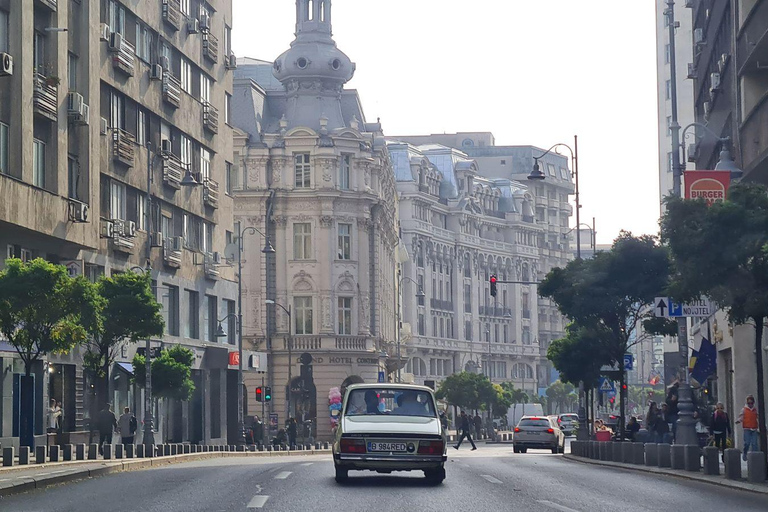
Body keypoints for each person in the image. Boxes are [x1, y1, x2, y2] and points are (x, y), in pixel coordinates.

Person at [736, 395, 759, 461]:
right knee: (747, 443)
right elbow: (741, 417)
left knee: (754, 444)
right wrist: (738, 420)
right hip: (747, 428)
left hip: (754, 428)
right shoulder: (744, 409)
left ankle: (755, 457)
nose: (750, 404)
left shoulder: (755, 410)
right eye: (749, 403)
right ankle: (745, 454)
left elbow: (758, 418)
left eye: (751, 403)